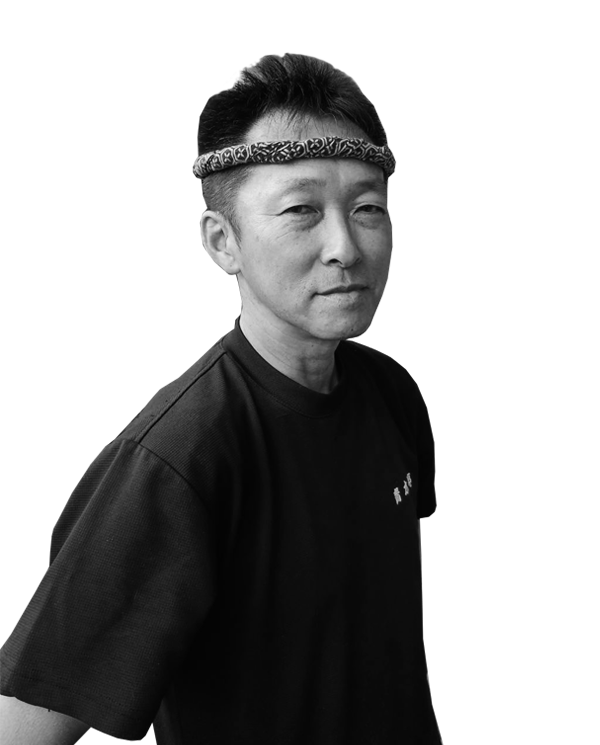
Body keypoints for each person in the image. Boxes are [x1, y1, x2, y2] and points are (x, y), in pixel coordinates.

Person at [0, 53, 441, 744]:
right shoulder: (177, 459)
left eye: (368, 208)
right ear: (222, 242)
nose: (345, 247)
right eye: (301, 210)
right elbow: (29, 726)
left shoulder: (388, 392)